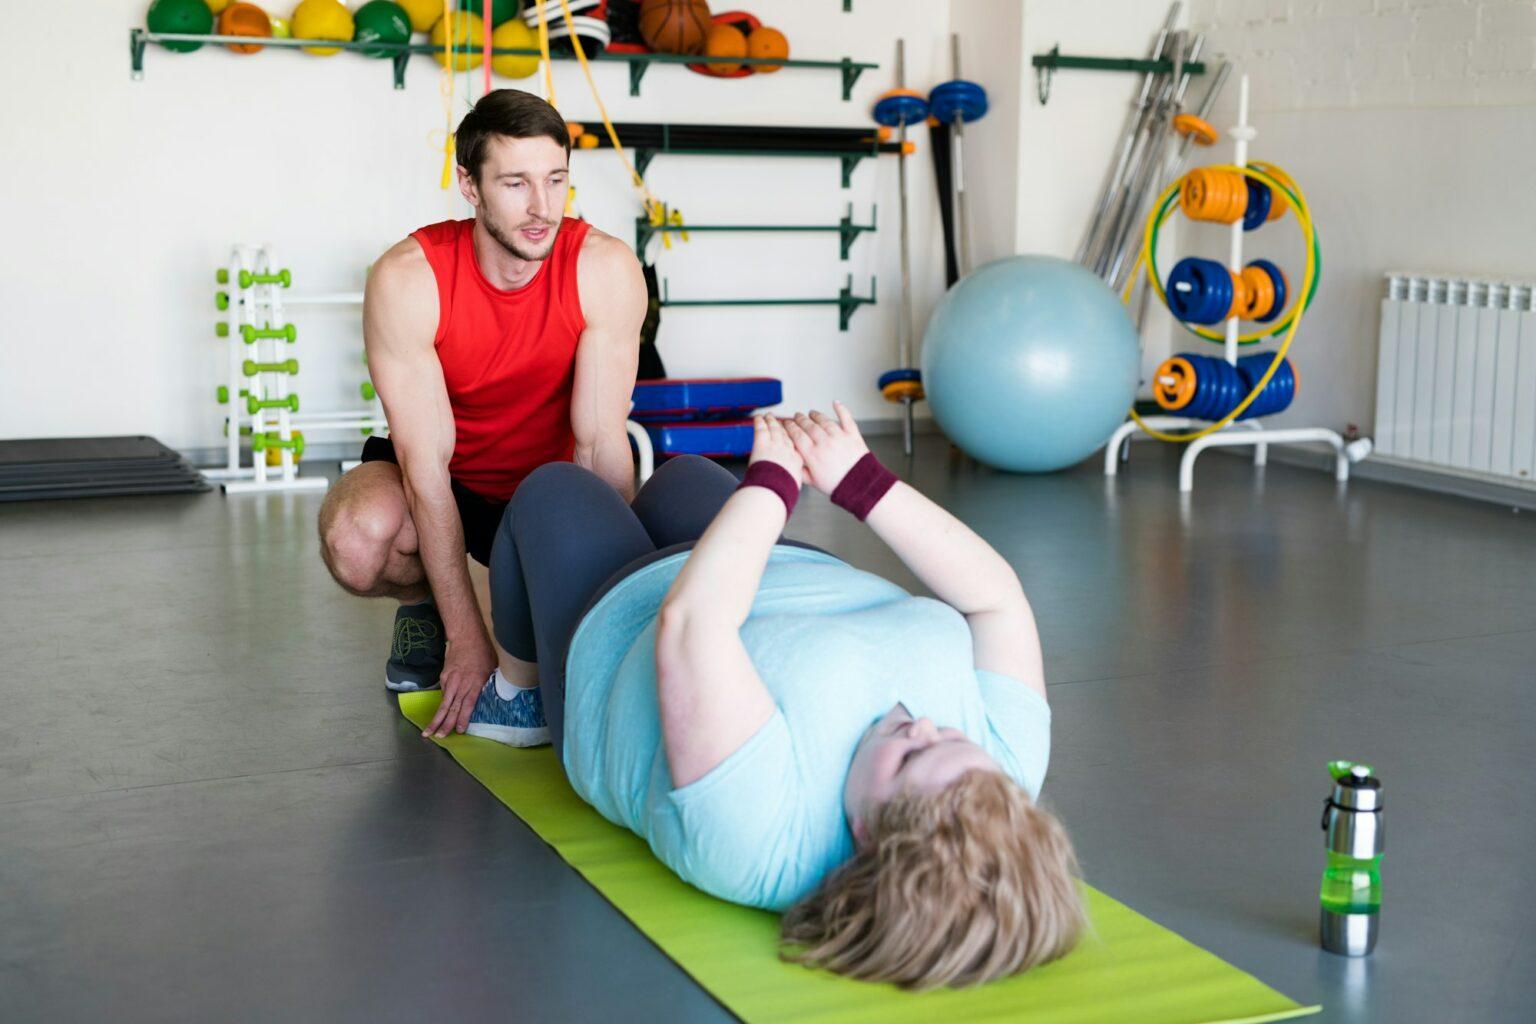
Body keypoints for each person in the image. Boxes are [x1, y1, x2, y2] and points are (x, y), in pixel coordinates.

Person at [468, 403, 1084, 990]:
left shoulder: (760, 841)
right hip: (778, 564)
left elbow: (693, 626)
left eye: (909, 758)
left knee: (554, 490)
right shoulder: (1002, 775)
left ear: (864, 834)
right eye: (953, 737)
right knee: (681, 478)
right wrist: (862, 483)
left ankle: (520, 695)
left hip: (624, 618)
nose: (923, 725)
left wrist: (770, 484)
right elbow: (997, 599)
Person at [317, 88, 646, 746]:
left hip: (546, 493)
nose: (541, 208)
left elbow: (601, 448)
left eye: (555, 181)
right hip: (451, 481)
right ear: (468, 185)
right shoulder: (408, 278)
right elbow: (426, 470)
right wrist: (469, 641)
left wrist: (618, 633)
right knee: (357, 540)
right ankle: (425, 613)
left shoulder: (604, 268)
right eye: (516, 183)